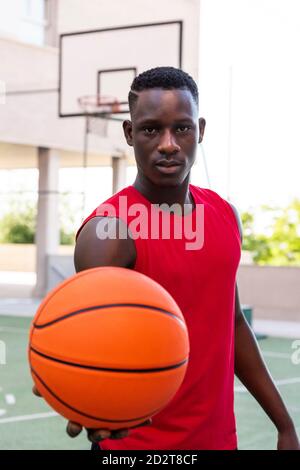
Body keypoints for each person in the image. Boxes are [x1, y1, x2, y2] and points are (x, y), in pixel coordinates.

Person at [34, 67, 299, 450]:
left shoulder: (224, 215)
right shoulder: (109, 233)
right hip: (133, 446)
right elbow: (81, 341)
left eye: (182, 128)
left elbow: (233, 323)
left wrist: (285, 424)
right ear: (129, 134)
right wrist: (70, 388)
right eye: (151, 129)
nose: (168, 144)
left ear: (201, 130)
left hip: (218, 440)